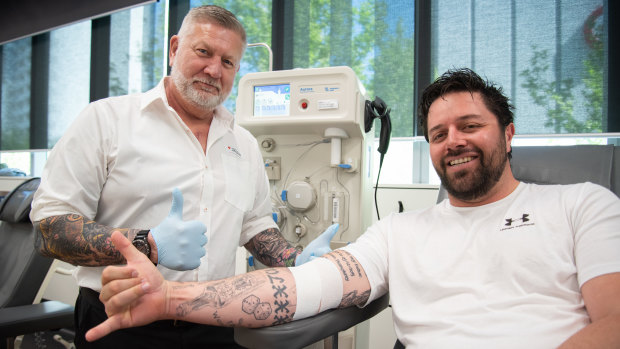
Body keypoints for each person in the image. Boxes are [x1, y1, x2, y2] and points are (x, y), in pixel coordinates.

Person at [84, 68, 620, 348]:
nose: (453, 141)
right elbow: (298, 287)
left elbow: (614, 323)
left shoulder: (582, 205)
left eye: (470, 126)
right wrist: (171, 296)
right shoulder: (400, 233)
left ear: (507, 133)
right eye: (438, 133)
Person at [30, 5, 336, 349]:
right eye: (203, 52)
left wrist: (296, 260)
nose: (213, 69)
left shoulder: (244, 144)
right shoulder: (106, 121)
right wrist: (147, 243)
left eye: (228, 62)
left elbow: (255, 226)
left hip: (214, 322)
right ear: (174, 49)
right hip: (121, 320)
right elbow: (49, 229)